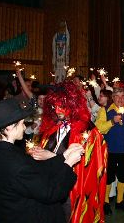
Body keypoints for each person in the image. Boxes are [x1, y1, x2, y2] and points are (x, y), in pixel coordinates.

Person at [0, 98, 82, 223]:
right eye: (22, 123)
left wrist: (63, 156)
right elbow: (52, 193)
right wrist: (68, 164)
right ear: (9, 127)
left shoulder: (1, 150)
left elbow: (34, 170)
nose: (24, 127)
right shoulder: (14, 163)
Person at [36, 81, 108, 223]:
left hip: (73, 189)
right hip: (53, 187)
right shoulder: (53, 127)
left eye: (62, 106)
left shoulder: (87, 131)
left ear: (72, 104)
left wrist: (50, 156)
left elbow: (85, 165)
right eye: (54, 106)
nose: (57, 111)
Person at [95, 87, 124, 215]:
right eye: (117, 96)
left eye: (122, 96)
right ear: (112, 98)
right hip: (110, 150)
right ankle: (106, 202)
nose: (120, 99)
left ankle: (120, 201)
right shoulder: (105, 110)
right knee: (109, 177)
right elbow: (99, 128)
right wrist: (112, 121)